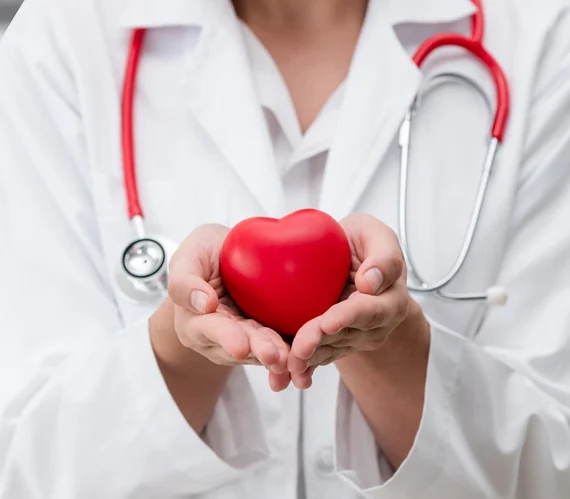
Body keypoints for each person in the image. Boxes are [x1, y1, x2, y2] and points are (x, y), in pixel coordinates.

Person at [1, 0, 570, 497]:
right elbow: (25, 470)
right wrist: (179, 345)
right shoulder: (62, 38)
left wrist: (388, 344)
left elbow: (554, 474)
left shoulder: (542, 38)